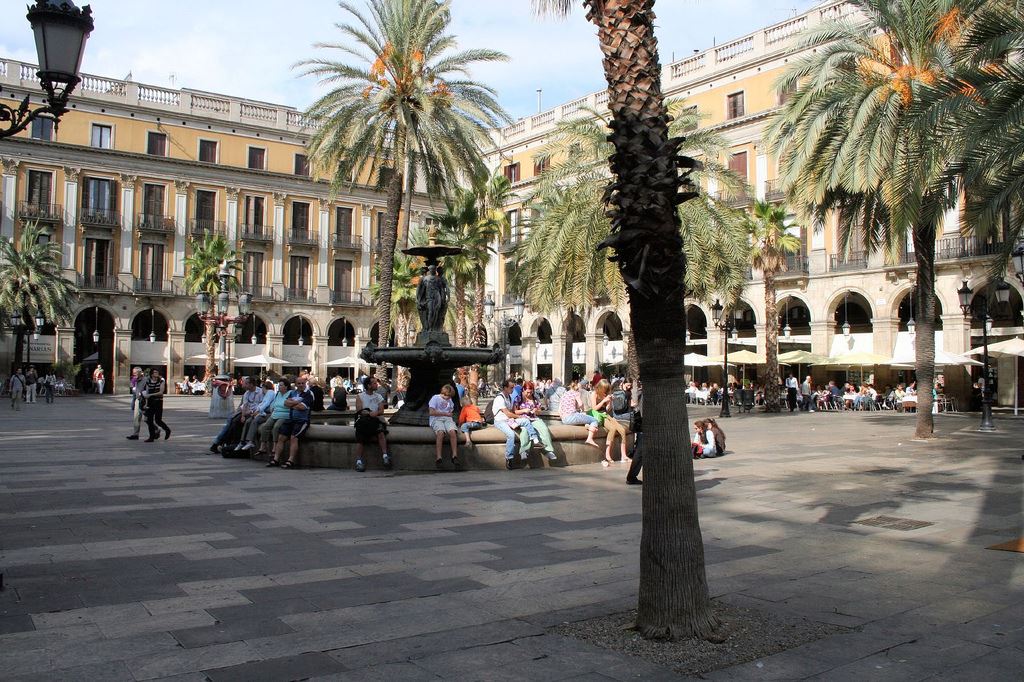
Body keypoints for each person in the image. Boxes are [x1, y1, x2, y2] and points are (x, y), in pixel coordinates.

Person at [268, 375, 313, 469]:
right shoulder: (293, 392)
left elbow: (302, 407)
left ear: (305, 384)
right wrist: (297, 403)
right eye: (299, 383)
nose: (301, 385)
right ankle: (276, 459)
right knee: (281, 437)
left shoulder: (309, 394)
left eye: (303, 383)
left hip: (302, 421)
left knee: (294, 437)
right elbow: (285, 403)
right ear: (295, 384)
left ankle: (290, 460)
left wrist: (291, 404)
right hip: (291, 419)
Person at [353, 376, 392, 472]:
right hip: (364, 420)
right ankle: (358, 461)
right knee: (360, 438)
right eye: (374, 383)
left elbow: (381, 410)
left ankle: (385, 455)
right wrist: (369, 413)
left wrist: (375, 413)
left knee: (381, 433)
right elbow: (359, 410)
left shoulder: (378, 396)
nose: (376, 385)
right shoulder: (360, 396)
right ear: (369, 385)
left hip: (375, 419)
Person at [513, 382, 558, 462]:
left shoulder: (535, 397)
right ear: (523, 390)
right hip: (523, 419)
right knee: (525, 431)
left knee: (544, 429)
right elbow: (515, 411)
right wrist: (524, 410)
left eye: (531, 392)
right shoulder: (518, 398)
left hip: (534, 418)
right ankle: (524, 451)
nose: (529, 394)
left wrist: (535, 410)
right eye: (527, 392)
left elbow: (539, 410)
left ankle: (548, 451)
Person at [592, 379, 628, 467]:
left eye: (606, 389)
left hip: (606, 415)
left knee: (622, 430)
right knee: (612, 429)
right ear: (600, 387)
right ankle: (607, 454)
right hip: (599, 415)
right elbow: (594, 408)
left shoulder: (606, 394)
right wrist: (603, 401)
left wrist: (610, 402)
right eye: (604, 388)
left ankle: (624, 456)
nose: (605, 390)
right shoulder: (594, 394)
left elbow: (608, 409)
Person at [492, 379, 526, 469]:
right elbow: (507, 413)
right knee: (511, 435)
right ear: (505, 388)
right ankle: (509, 458)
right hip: (500, 421)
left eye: (513, 387)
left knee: (526, 423)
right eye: (511, 388)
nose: (513, 389)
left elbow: (512, 412)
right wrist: (518, 417)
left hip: (508, 420)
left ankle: (526, 448)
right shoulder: (500, 398)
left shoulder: (509, 397)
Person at [558, 380, 600, 448]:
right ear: (577, 389)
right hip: (572, 416)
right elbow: (580, 404)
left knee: (584, 419)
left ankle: (589, 427)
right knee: (594, 420)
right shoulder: (576, 393)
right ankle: (590, 438)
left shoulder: (564, 395)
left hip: (564, 419)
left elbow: (559, 410)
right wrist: (582, 410)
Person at [428, 384, 460, 469]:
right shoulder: (435, 398)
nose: (449, 399)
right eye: (448, 397)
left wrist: (449, 414)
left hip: (447, 419)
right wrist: (445, 413)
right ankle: (439, 457)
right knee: (441, 433)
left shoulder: (450, 400)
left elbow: (450, 410)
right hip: (436, 419)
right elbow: (431, 412)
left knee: (453, 432)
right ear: (444, 394)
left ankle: (454, 456)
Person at [261, 379, 293, 461]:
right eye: (279, 385)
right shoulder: (278, 394)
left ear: (286, 386)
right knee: (265, 427)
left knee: (276, 427)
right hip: (275, 413)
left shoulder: (290, 393)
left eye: (281, 385)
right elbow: (274, 403)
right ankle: (263, 445)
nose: (279, 387)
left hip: (284, 414)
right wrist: (272, 408)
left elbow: (289, 405)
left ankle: (275, 446)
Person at [141, 369, 171, 442]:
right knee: (149, 420)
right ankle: (151, 437)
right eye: (155, 372)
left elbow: (161, 392)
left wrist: (150, 395)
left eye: (157, 372)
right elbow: (147, 393)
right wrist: (146, 404)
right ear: (152, 374)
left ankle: (167, 430)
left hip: (158, 402)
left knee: (158, 420)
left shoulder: (161, 381)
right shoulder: (148, 382)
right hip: (151, 402)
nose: (157, 373)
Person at [126, 368, 146, 440]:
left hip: (144, 400)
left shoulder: (145, 380)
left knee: (147, 419)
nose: (134, 374)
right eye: (133, 372)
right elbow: (132, 386)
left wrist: (143, 393)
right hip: (138, 400)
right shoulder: (135, 380)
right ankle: (135, 434)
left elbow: (148, 390)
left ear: (140, 372)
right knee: (136, 418)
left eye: (136, 372)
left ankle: (156, 430)